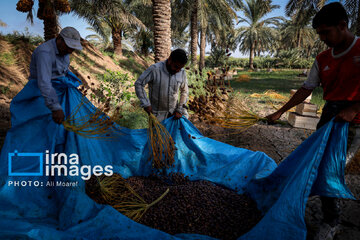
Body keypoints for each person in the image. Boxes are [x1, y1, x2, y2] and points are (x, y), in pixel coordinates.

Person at [266, 3, 360, 240]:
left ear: (342, 25)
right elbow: (306, 88)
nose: (322, 39)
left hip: (354, 121)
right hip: (330, 115)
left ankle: (331, 221)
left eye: (326, 32)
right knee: (316, 161)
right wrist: (280, 111)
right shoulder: (322, 58)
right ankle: (314, 199)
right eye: (319, 34)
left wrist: (354, 109)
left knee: (331, 169)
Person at [29, 26, 83, 124]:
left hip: (58, 91)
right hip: (41, 92)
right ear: (59, 39)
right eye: (68, 47)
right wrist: (56, 108)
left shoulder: (65, 51)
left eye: (73, 49)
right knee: (42, 124)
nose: (70, 51)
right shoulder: (44, 53)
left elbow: (62, 70)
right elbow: (44, 82)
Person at [135, 49, 189, 122]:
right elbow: (139, 83)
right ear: (170, 60)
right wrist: (146, 104)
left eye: (180, 68)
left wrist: (179, 109)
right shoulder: (155, 69)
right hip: (157, 116)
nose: (178, 70)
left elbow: (184, 91)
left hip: (174, 116)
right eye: (176, 67)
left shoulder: (182, 72)